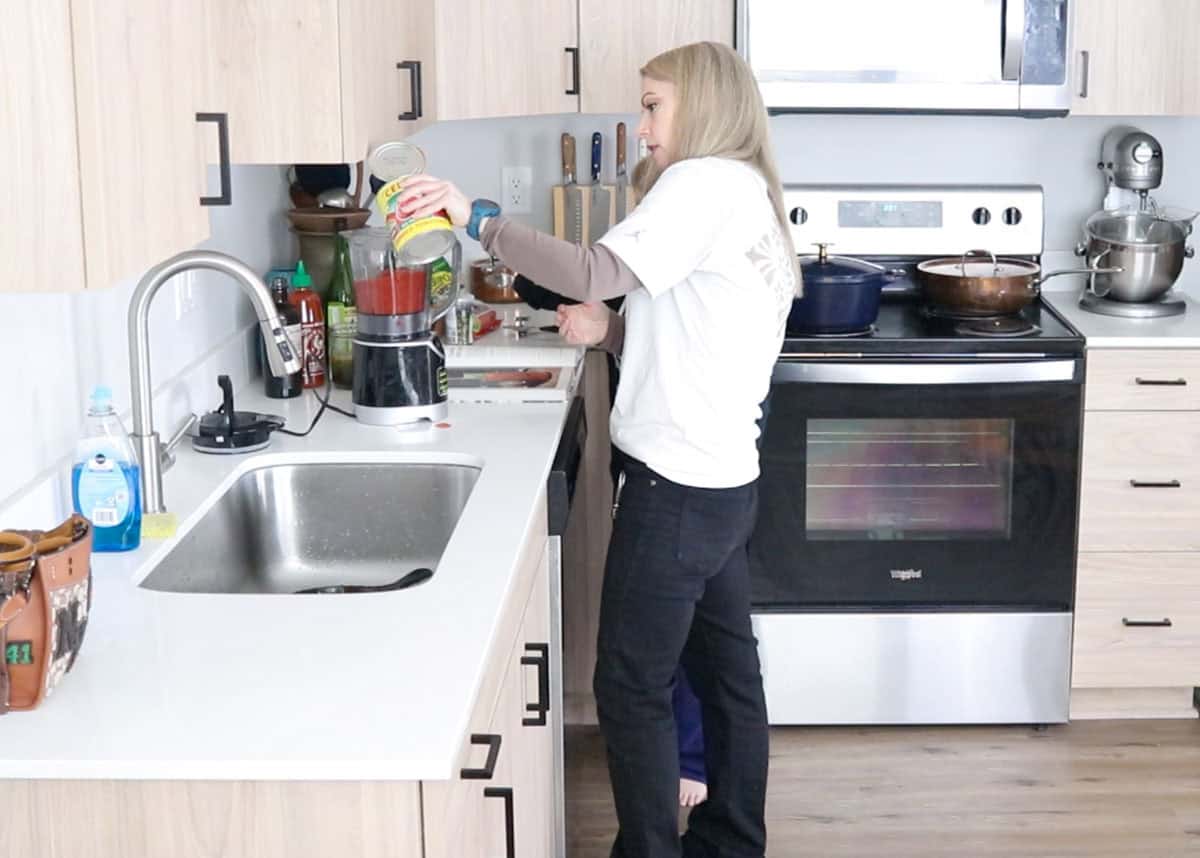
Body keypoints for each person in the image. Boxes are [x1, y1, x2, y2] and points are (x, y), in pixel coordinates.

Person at [396, 40, 799, 858]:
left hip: (676, 490)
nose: (642, 125)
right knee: (730, 682)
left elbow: (590, 265)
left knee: (630, 684)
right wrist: (614, 333)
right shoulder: (749, 192)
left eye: (653, 106)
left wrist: (478, 218)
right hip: (725, 485)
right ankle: (729, 844)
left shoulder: (701, 184)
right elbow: (700, 337)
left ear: (702, 106)